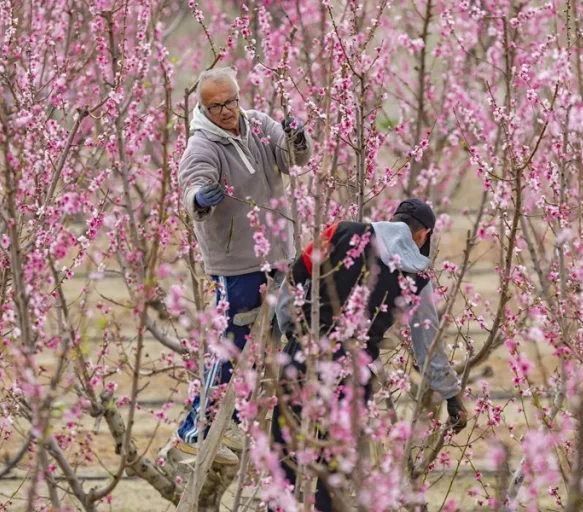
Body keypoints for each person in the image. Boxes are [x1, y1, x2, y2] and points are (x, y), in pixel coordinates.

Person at [271, 199, 467, 510]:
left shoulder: (341, 232)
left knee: (284, 458)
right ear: (423, 235)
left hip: (302, 355)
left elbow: (295, 277)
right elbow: (428, 346)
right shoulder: (418, 279)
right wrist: (451, 395)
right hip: (352, 371)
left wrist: (291, 331)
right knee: (334, 472)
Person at [176, 67, 313, 465]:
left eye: (230, 101)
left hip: (276, 252)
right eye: (215, 106)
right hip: (236, 262)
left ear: (239, 96)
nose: (226, 111)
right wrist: (201, 198)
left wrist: (296, 136)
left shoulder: (258, 125)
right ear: (203, 107)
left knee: (265, 344)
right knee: (231, 345)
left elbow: (294, 159)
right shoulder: (202, 146)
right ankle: (194, 429)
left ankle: (232, 421)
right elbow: (191, 188)